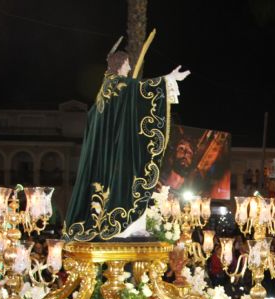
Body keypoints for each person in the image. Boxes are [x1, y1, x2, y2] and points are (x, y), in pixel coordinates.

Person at [64, 47, 190, 242]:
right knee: (126, 181)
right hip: (118, 153)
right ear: (121, 64)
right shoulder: (118, 85)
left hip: (108, 154)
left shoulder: (105, 88)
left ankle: (120, 223)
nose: (130, 67)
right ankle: (122, 224)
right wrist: (168, 79)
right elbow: (142, 90)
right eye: (128, 63)